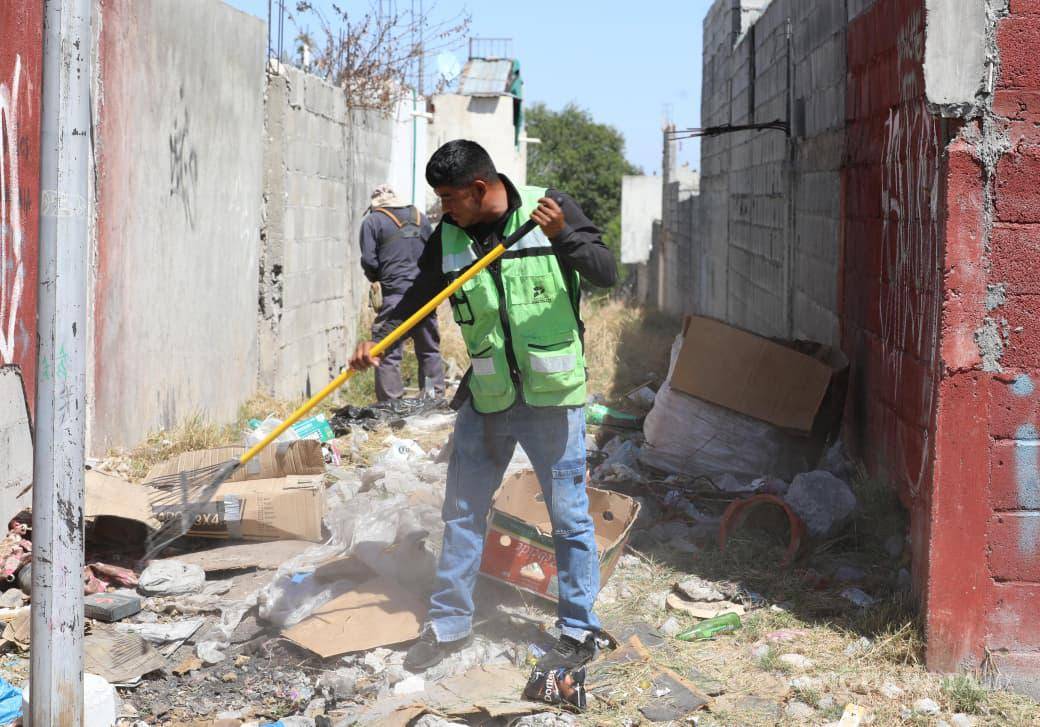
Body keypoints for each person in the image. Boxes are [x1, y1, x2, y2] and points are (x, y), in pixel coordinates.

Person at [350, 141, 617, 705]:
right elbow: (418, 295)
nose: (444, 209)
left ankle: (577, 629)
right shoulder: (447, 238)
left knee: (568, 519)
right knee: (464, 511)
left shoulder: (549, 210)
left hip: (553, 396)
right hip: (488, 394)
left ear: (479, 189)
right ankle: (449, 624)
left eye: (450, 198)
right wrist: (380, 338)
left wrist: (563, 234)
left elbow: (605, 273)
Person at [358, 184, 445, 401]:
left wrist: (376, 278)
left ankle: (391, 405)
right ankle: (433, 400)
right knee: (429, 350)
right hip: (424, 294)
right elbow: (435, 250)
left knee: (387, 352)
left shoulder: (372, 221)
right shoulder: (420, 217)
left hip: (395, 296)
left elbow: (369, 260)